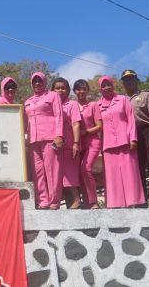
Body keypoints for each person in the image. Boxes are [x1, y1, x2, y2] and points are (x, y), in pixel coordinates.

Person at [98, 76, 146, 208]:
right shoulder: (98, 105)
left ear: (113, 85)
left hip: (126, 143)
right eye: (104, 85)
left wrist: (133, 139)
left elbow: (131, 119)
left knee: (130, 173)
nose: (107, 87)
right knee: (112, 177)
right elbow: (98, 127)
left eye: (109, 84)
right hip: (108, 145)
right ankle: (116, 204)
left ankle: (134, 202)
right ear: (100, 88)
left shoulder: (123, 100)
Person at [121, 69, 149, 208]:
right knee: (136, 168)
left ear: (137, 81)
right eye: (126, 80)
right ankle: (141, 202)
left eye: (131, 79)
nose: (129, 82)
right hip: (132, 136)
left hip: (147, 132)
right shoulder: (122, 100)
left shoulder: (146, 95)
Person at [24, 72, 64, 209]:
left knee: (52, 170)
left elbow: (59, 116)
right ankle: (43, 200)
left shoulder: (53, 96)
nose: (37, 83)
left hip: (50, 137)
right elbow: (25, 122)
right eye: (34, 81)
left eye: (39, 80)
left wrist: (59, 135)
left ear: (44, 82)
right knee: (37, 172)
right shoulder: (27, 102)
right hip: (33, 139)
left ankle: (54, 200)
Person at [52, 77, 82, 209]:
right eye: (57, 88)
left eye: (63, 88)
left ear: (68, 90)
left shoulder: (72, 104)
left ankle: (76, 199)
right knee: (58, 175)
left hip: (69, 144)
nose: (60, 90)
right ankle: (62, 202)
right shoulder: (51, 104)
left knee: (70, 173)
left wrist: (76, 143)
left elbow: (76, 124)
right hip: (55, 146)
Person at [73, 79, 102, 209]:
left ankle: (93, 201)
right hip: (79, 144)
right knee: (79, 172)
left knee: (86, 168)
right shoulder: (73, 106)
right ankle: (85, 201)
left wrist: (86, 132)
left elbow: (100, 126)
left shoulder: (93, 105)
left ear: (88, 90)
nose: (81, 91)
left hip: (93, 142)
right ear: (75, 91)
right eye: (79, 89)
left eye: (84, 89)